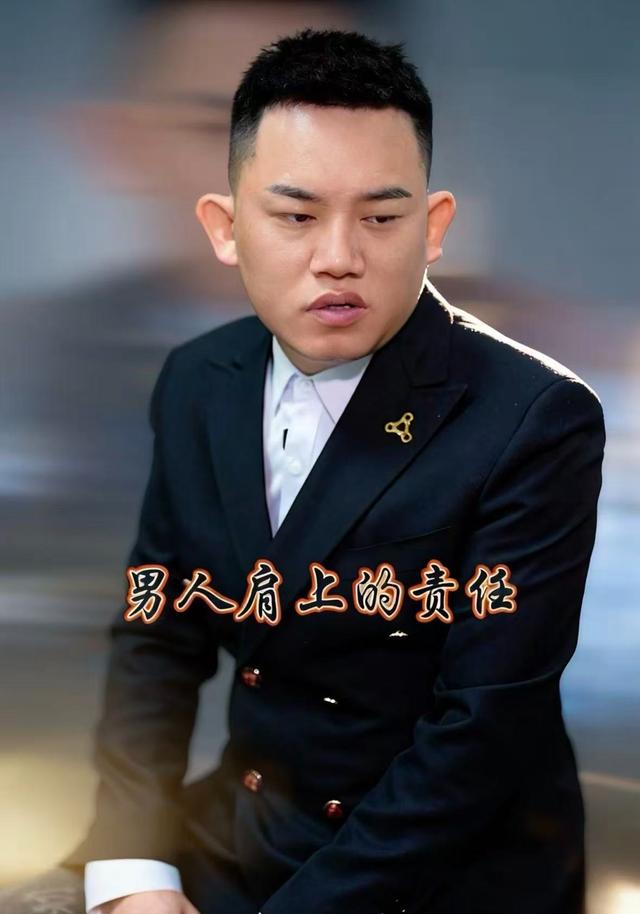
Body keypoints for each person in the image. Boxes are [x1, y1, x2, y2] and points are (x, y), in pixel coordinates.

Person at [53, 27, 604, 914]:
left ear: (433, 228)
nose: (339, 255)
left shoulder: (535, 417)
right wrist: (134, 870)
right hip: (241, 834)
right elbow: (158, 637)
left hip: (444, 873)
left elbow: (480, 730)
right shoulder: (198, 379)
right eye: (297, 215)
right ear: (226, 228)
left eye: (381, 218)